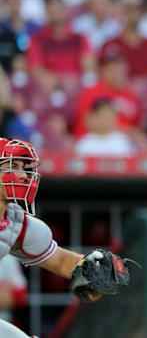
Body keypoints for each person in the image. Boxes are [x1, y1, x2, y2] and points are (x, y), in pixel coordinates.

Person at [0, 137, 125, 338]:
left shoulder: (14, 222)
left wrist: (92, 269)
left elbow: (59, 260)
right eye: (13, 166)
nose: (23, 175)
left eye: (24, 167)